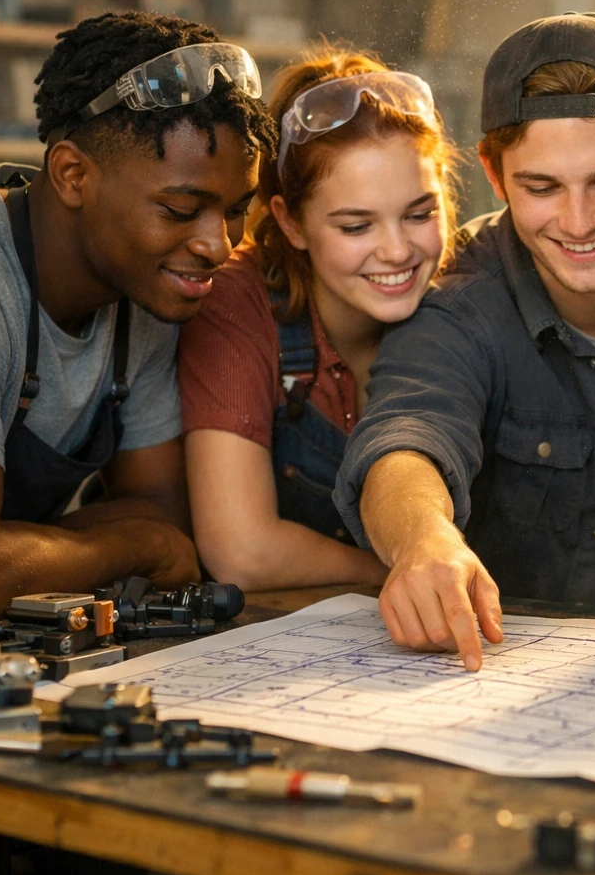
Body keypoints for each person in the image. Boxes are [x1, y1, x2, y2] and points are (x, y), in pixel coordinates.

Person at [334, 12, 595, 670]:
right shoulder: (464, 293)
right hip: (534, 659)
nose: (579, 223)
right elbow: (406, 433)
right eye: (541, 188)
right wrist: (424, 540)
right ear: (495, 178)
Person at [0, 11, 275, 624]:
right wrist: (139, 547)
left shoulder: (151, 288)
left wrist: (0, 562)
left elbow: (162, 507)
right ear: (72, 174)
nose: (219, 245)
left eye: (236, 210)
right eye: (181, 208)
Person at [178, 51, 460, 590]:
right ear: (291, 223)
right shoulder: (237, 304)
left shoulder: (463, 303)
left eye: (420, 214)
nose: (397, 251)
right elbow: (242, 551)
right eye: (357, 227)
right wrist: (412, 568)